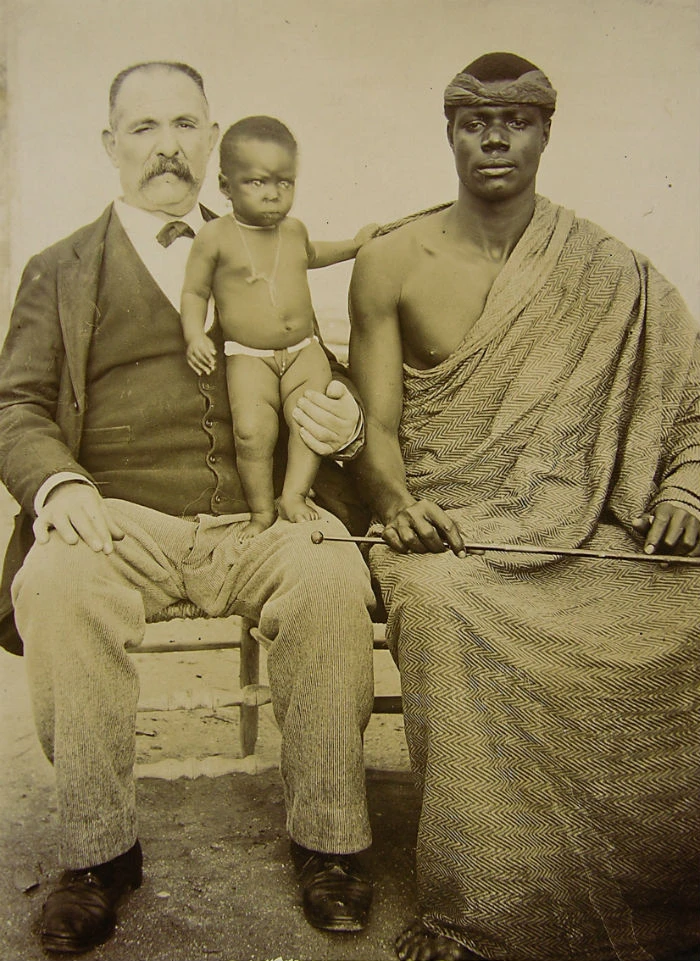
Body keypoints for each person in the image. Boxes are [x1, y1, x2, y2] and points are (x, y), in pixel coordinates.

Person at [0, 61, 377, 955]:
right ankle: (99, 857)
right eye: (142, 128)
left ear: (213, 141)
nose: (166, 145)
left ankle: (328, 843)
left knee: (328, 574)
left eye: (184, 124)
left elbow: (315, 362)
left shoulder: (270, 242)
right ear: (109, 146)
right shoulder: (57, 270)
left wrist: (344, 418)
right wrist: (61, 485)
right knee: (54, 580)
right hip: (119, 522)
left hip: (256, 519)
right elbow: (15, 404)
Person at [349, 52, 700, 961]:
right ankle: (486, 899)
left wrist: (683, 489)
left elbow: (689, 405)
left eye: (517, 121)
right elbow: (377, 428)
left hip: (584, 526)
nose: (495, 137)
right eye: (474, 122)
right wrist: (398, 503)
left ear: (547, 131)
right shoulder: (393, 261)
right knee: (440, 605)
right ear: (451, 133)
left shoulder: (613, 270)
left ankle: (659, 879)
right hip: (448, 527)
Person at [181, 115, 377, 537]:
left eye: (284, 183)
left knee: (307, 422)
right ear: (225, 185)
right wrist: (194, 334)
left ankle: (293, 495)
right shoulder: (214, 237)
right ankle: (259, 512)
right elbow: (195, 292)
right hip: (249, 356)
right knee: (253, 433)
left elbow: (315, 253)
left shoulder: (293, 230)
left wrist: (355, 246)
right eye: (256, 183)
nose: (273, 194)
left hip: (304, 350)